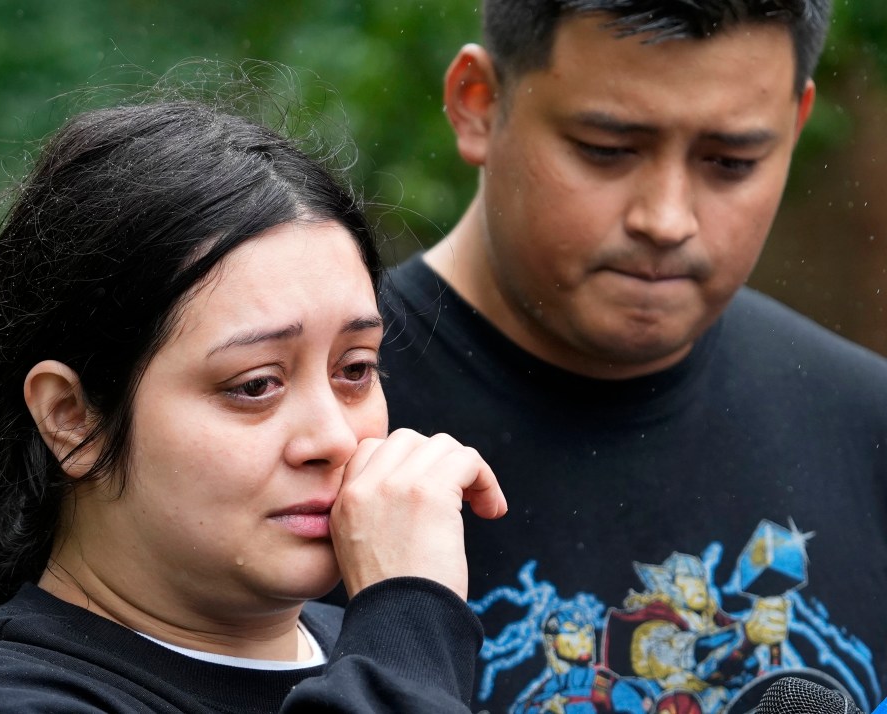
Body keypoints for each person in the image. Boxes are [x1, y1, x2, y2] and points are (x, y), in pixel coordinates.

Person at [0, 98, 508, 713]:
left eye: (356, 369)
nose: (335, 438)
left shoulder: (381, 652)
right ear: (71, 416)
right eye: (256, 384)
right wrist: (410, 617)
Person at [375, 1, 887, 712]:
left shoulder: (869, 427)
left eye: (731, 162)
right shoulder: (308, 438)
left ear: (795, 127)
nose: (666, 218)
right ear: (478, 104)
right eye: (606, 150)